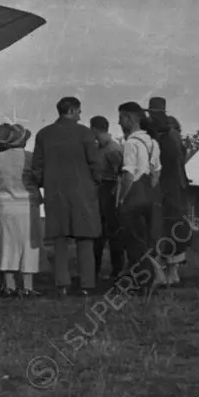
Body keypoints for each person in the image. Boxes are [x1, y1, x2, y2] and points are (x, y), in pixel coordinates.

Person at [31, 97, 101, 297]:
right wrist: (94, 183)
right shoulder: (85, 133)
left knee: (60, 239)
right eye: (79, 111)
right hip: (83, 191)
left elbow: (37, 167)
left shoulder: (44, 134)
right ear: (71, 110)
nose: (80, 115)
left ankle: (62, 283)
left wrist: (47, 183)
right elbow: (95, 163)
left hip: (56, 192)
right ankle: (87, 284)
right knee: (85, 239)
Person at [116, 102, 167, 295]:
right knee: (147, 240)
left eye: (121, 118)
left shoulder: (130, 143)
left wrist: (122, 199)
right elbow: (156, 173)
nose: (119, 122)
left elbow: (128, 175)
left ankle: (143, 282)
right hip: (150, 195)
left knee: (134, 242)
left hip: (134, 197)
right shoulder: (152, 142)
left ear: (129, 119)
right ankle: (151, 277)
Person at [0, 123, 42, 297]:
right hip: (27, 204)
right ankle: (27, 286)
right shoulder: (30, 157)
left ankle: (9, 285)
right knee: (28, 245)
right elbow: (39, 179)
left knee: (6, 244)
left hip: (5, 205)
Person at [146, 98, 191, 286]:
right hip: (177, 187)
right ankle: (172, 271)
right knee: (175, 228)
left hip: (166, 188)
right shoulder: (174, 137)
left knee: (166, 228)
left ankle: (166, 271)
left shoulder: (163, 138)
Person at [89, 116, 125, 282]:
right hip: (99, 193)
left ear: (95, 129)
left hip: (110, 193)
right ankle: (94, 270)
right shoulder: (98, 148)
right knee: (98, 235)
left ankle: (116, 270)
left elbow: (120, 174)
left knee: (114, 234)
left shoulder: (113, 149)